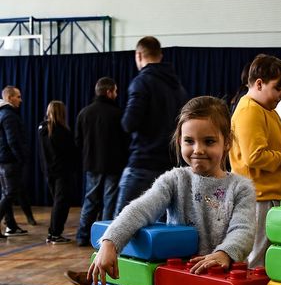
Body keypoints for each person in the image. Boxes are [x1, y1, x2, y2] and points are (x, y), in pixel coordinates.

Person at [89, 96, 256, 285]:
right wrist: (110, 242)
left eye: (209, 141)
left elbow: (243, 230)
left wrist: (224, 254)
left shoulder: (241, 188)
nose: (198, 149)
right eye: (189, 141)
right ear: (179, 141)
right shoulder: (174, 180)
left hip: (223, 282)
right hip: (178, 282)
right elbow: (141, 209)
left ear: (227, 142)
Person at [228, 54, 281, 267]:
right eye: (278, 88)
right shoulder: (250, 110)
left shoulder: (265, 110)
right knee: (256, 261)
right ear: (259, 83)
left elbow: (269, 153)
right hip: (259, 197)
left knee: (265, 260)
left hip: (268, 196)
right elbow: (255, 157)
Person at [114, 36, 188, 215]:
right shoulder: (178, 87)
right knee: (161, 228)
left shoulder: (141, 82)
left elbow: (129, 123)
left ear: (138, 55)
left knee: (118, 226)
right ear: (160, 56)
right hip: (169, 165)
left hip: (143, 163)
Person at [74, 77, 127, 246]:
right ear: (109, 92)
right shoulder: (118, 114)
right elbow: (125, 141)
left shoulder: (84, 112)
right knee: (109, 201)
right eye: (115, 91)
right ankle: (104, 240)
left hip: (92, 164)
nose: (117, 94)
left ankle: (82, 236)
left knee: (90, 200)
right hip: (113, 164)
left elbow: (78, 140)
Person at [38, 101, 76, 244]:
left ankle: (53, 232)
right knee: (62, 203)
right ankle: (54, 233)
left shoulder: (42, 128)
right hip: (62, 172)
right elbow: (70, 152)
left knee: (58, 202)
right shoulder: (61, 131)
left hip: (49, 172)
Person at [0, 85, 30, 238]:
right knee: (10, 193)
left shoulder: (3, 114)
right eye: (18, 96)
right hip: (10, 161)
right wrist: (21, 158)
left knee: (7, 193)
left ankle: (11, 226)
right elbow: (13, 141)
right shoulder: (9, 115)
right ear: (9, 98)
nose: (21, 99)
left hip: (4, 160)